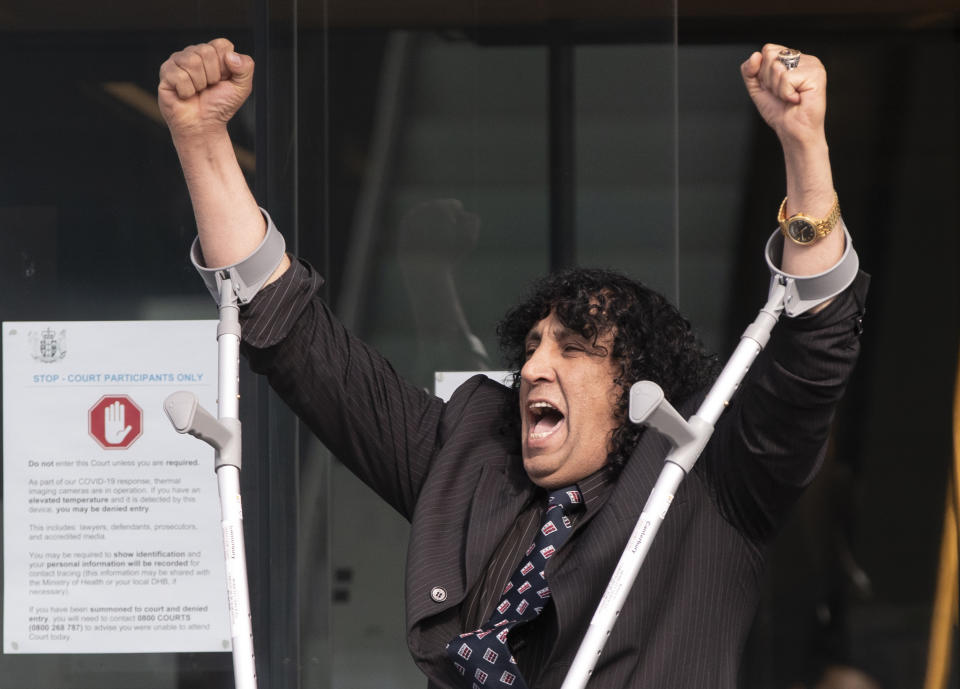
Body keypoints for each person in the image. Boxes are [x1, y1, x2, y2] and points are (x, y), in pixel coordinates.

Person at [158, 39, 868, 688]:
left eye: (573, 346)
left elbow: (815, 351)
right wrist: (201, 138)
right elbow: (303, 345)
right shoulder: (472, 457)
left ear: (638, 388)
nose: (533, 366)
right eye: (530, 346)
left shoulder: (710, 484)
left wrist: (804, 147)